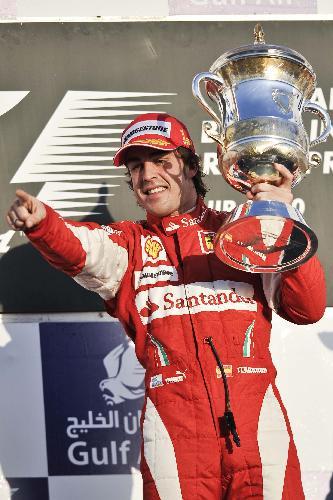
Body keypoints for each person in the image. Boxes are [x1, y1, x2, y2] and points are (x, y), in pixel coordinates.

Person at [7, 112, 326, 499]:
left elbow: (306, 308)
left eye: (162, 162)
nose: (148, 175)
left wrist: (282, 217)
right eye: (137, 166)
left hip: (260, 425)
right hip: (175, 432)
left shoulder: (244, 233)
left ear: (191, 167)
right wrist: (42, 224)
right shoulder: (127, 246)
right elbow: (78, 246)